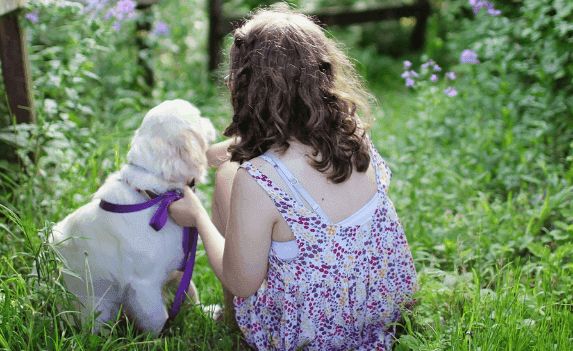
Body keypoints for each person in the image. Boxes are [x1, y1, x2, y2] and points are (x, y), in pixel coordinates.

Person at [167, 7, 417, 350]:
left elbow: (242, 284)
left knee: (227, 175)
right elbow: (285, 142)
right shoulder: (353, 134)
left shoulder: (257, 179)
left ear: (243, 87)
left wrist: (196, 216)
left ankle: (233, 321)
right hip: (375, 313)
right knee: (228, 167)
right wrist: (208, 153)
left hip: (306, 336)